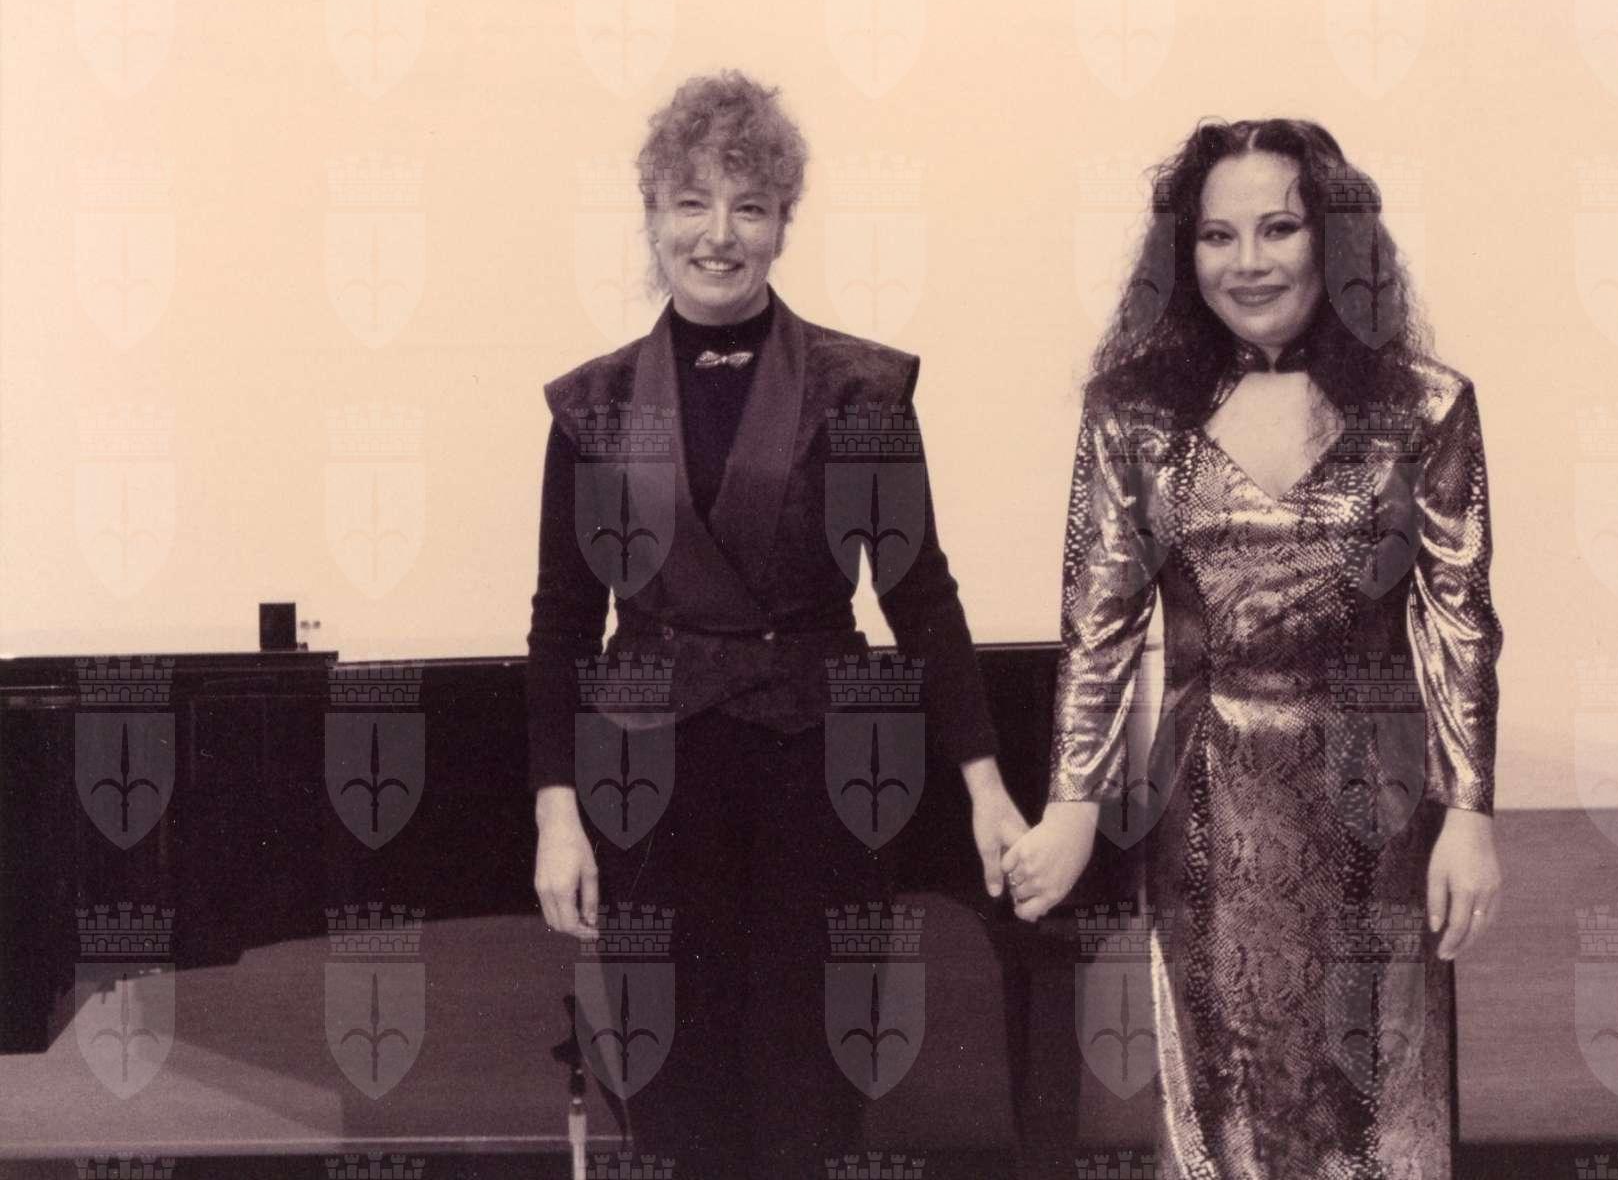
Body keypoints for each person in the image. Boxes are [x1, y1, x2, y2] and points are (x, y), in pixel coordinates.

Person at [526, 69, 1028, 1177]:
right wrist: (556, 812)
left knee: (811, 1080)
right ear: (652, 213)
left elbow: (919, 593)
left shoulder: (862, 390)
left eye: (749, 207)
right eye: (693, 203)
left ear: (783, 223)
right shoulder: (592, 407)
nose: (720, 234)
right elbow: (561, 619)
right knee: (671, 1080)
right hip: (646, 780)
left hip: (821, 773)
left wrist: (985, 783)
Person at [1001, 118, 1504, 1177]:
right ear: (1182, 254)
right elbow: (1098, 625)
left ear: (1334, 238)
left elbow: (1458, 618)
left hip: (1377, 802)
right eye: (1217, 236)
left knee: (1375, 1103)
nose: (1248, 262)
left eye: (1279, 228)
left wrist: (1470, 814)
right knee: (1224, 1097)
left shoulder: (1424, 406)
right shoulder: (1132, 415)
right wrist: (1072, 803)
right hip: (1205, 798)